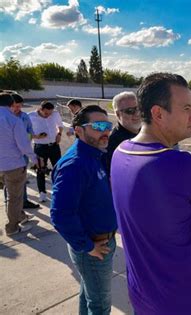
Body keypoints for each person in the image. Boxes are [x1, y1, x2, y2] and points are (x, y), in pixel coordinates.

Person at [111, 73, 191, 314]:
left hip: (142, 297)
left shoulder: (120, 152)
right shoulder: (181, 164)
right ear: (158, 114)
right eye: (186, 108)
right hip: (186, 301)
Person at [50, 105, 117, 315]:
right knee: (100, 305)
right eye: (98, 126)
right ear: (78, 130)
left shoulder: (94, 155)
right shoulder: (75, 164)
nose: (105, 131)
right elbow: (60, 215)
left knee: (88, 294)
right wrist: (87, 246)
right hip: (94, 246)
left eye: (108, 125)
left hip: (100, 241)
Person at [0, 93, 37, 236]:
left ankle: (20, 216)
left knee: (10, 194)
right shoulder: (13, 120)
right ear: (10, 104)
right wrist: (34, 158)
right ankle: (12, 228)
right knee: (15, 197)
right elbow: (23, 145)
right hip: (13, 165)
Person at [7, 93, 40, 209]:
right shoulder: (5, 118)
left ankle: (24, 202)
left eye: (20, 106)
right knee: (10, 184)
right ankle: (12, 207)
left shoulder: (25, 116)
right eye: (15, 106)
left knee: (22, 181)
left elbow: (30, 131)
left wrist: (30, 136)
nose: (18, 109)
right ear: (9, 105)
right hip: (9, 156)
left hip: (23, 153)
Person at [28, 101, 64, 202]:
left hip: (54, 146)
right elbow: (24, 132)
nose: (48, 115)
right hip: (40, 147)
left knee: (58, 168)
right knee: (40, 170)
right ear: (40, 109)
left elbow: (60, 125)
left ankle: (59, 190)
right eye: (46, 113)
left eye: (50, 113)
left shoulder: (55, 114)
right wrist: (36, 136)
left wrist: (59, 134)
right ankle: (42, 192)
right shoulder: (30, 116)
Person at [104, 91, 140, 175]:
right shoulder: (113, 143)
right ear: (117, 114)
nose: (137, 113)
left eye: (139, 108)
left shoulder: (145, 131)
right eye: (130, 111)